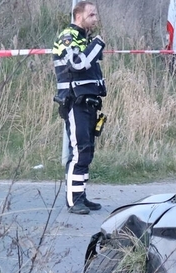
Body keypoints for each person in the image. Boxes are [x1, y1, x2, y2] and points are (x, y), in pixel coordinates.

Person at [53, 1, 107, 215]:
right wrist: (97, 45)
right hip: (75, 102)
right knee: (79, 151)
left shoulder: (84, 39)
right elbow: (77, 63)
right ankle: (74, 200)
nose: (95, 19)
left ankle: (81, 196)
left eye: (95, 15)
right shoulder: (68, 36)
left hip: (89, 102)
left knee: (87, 151)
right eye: (91, 15)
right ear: (79, 16)